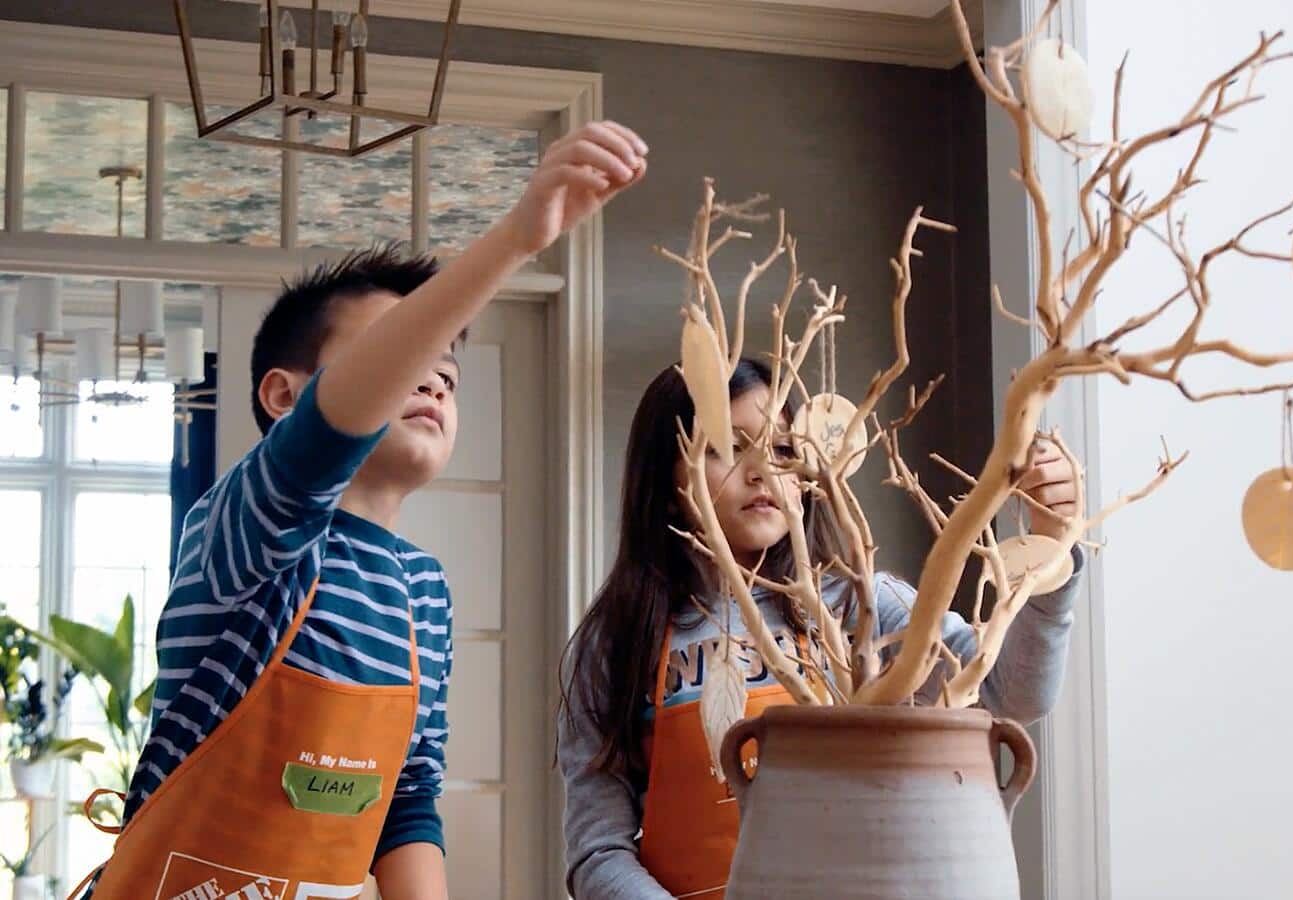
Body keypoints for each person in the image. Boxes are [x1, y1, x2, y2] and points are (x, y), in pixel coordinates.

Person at [69, 121, 650, 900]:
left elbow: (407, 801)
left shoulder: (423, 592)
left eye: (448, 369)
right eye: (408, 352)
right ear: (284, 397)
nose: (436, 378)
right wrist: (513, 239)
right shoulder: (251, 529)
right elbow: (327, 431)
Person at [558, 357, 1083, 899]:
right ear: (667, 475)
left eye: (783, 449)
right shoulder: (616, 643)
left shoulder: (864, 604)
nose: (762, 470)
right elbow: (597, 852)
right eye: (728, 448)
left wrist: (1052, 552)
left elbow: (1012, 691)